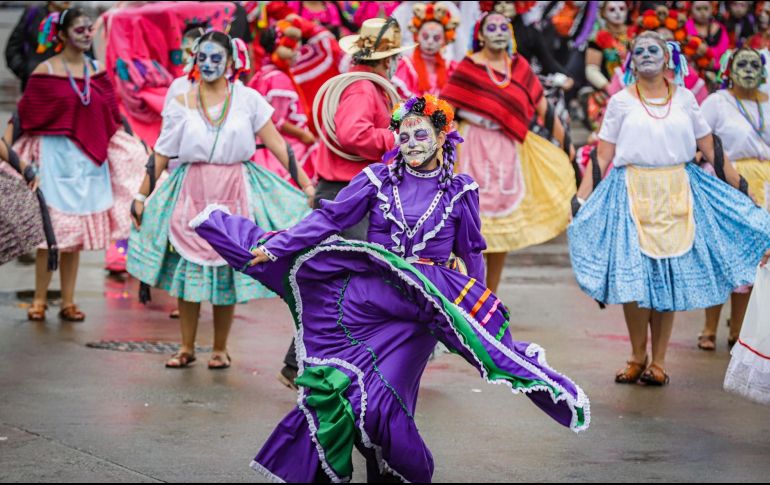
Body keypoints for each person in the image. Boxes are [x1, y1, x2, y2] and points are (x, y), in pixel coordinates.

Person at [192, 95, 590, 483]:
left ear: (442, 136)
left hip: (421, 310)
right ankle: (377, 469)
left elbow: (471, 252)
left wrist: (475, 309)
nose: (412, 144)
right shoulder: (375, 179)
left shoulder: (460, 191)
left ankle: (401, 471)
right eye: (404, 136)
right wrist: (275, 246)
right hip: (367, 304)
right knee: (343, 393)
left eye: (421, 136)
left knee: (384, 402)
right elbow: (328, 219)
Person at [569, 31, 770, 386]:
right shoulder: (620, 102)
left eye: (653, 50)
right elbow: (603, 155)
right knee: (634, 280)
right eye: (639, 50)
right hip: (630, 193)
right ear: (631, 59)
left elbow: (710, 148)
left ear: (667, 59)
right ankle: (636, 355)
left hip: (679, 191)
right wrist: (581, 199)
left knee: (665, 282)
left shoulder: (687, 99)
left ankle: (658, 361)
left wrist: (742, 190)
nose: (646, 55)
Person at [126, 31, 314, 370]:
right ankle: (186, 347)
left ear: (231, 62)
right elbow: (162, 152)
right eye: (203, 57)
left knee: (227, 267)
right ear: (195, 60)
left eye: (217, 58)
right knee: (188, 269)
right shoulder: (182, 100)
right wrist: (141, 194)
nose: (209, 64)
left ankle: (220, 348)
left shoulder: (248, 99)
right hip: (192, 189)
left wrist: (306, 185)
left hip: (234, 188)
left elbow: (277, 144)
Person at [277, 17, 408, 388]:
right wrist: (396, 139)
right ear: (388, 60)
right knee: (346, 279)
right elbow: (353, 134)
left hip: (346, 191)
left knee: (342, 279)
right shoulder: (364, 89)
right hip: (345, 193)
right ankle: (305, 364)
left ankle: (304, 362)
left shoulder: (363, 85)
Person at [14, 7, 145, 322]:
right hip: (53, 158)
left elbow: (111, 115)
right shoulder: (44, 71)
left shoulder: (96, 70)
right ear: (61, 35)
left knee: (73, 239)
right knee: (50, 234)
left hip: (87, 162)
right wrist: (15, 157)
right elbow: (25, 116)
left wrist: (134, 146)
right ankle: (40, 300)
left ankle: (68, 302)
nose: (87, 34)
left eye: (89, 29)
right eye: (80, 29)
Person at [442, 11, 576, 294]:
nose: (499, 31)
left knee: (501, 228)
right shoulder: (468, 68)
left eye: (504, 27)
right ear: (480, 34)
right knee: (474, 226)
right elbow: (446, 110)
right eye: (492, 27)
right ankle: (471, 293)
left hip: (508, 151)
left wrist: (567, 143)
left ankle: (491, 294)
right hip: (473, 147)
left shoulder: (520, 68)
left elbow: (543, 108)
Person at [698, 47, 770, 350]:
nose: (750, 70)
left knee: (753, 261)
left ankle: (738, 331)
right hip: (726, 181)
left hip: (764, 184)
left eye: (756, 64)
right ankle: (709, 329)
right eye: (743, 63)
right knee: (720, 257)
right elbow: (698, 139)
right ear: (729, 69)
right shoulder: (717, 102)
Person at [250, 16, 317, 185]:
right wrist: (304, 135)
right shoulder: (279, 79)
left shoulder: (261, 74)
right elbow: (277, 122)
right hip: (281, 146)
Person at [392, 2, 460, 99]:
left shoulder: (450, 68)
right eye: (425, 36)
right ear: (417, 36)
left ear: (444, 40)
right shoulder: (406, 66)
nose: (430, 42)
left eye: (436, 38)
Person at [584, 1, 633, 132]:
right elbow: (591, 70)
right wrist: (611, 88)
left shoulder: (636, 33)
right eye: (612, 10)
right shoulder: (598, 38)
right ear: (603, 13)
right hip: (609, 94)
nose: (618, 13)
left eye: (622, 8)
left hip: (637, 90)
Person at [5, 1, 71, 92]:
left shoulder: (75, 18)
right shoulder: (33, 14)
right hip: (34, 87)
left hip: (68, 88)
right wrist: (26, 71)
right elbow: (13, 48)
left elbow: (87, 54)